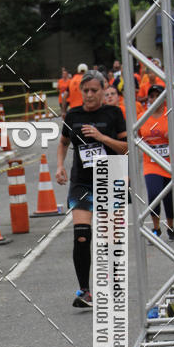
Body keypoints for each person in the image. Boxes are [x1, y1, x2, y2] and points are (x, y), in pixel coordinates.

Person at [56, 70, 128, 308]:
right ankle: (85, 291)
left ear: (102, 91)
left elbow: (126, 148)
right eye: (85, 91)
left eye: (94, 91)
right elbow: (64, 143)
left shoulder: (113, 113)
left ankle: (114, 285)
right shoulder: (73, 115)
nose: (89, 95)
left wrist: (101, 137)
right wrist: (60, 167)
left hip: (110, 178)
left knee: (110, 239)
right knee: (82, 235)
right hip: (82, 181)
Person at [139, 83, 174, 242]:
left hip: (170, 162)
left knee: (168, 197)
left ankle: (171, 226)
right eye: (151, 96)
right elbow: (135, 137)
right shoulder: (142, 117)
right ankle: (156, 228)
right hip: (151, 163)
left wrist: (173, 135)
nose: (154, 99)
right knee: (154, 194)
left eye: (157, 95)